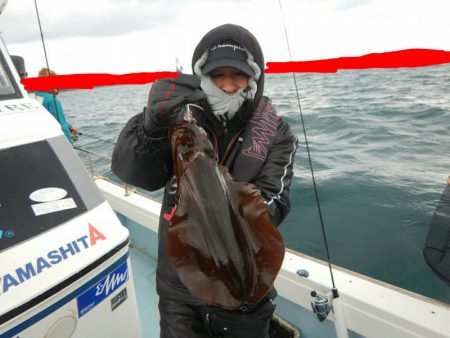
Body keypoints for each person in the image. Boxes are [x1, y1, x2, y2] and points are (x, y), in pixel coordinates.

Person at [112, 24, 298, 337]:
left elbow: (275, 204)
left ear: (254, 77)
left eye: (237, 75)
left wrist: (218, 199)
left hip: (245, 285)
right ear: (202, 77)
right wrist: (150, 127)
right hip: (178, 286)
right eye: (217, 75)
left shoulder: (278, 134)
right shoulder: (179, 121)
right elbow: (134, 174)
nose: (227, 85)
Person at [34, 68, 79, 143]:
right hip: (58, 142)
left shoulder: (36, 96)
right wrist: (69, 143)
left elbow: (55, 118)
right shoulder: (53, 101)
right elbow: (61, 125)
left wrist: (70, 127)